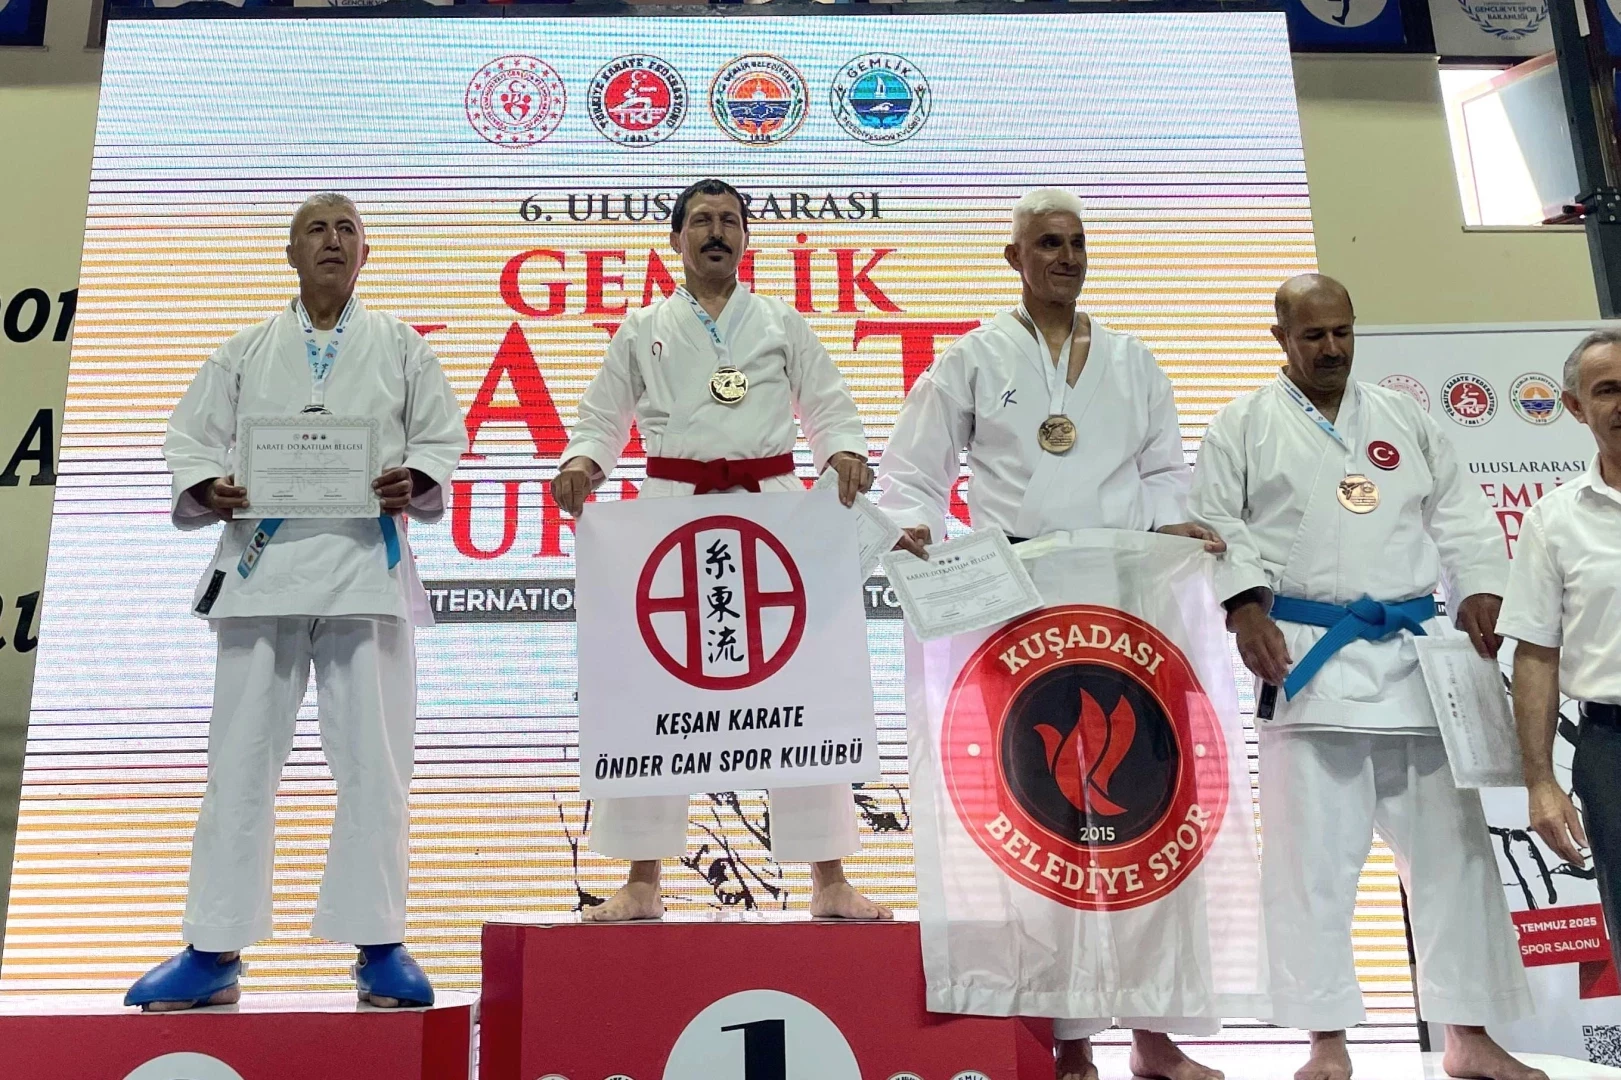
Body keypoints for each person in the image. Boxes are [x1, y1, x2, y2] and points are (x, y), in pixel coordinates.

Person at [878, 188, 1231, 1080]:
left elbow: (1163, 469)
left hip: (1124, 603)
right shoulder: (970, 358)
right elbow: (912, 473)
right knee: (1042, 822)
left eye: (1075, 242)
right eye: (1046, 243)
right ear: (1014, 259)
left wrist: (1173, 524)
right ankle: (1066, 1034)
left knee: (1145, 817)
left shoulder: (1131, 360)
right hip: (1018, 610)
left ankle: (1153, 1034)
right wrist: (917, 527)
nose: (1065, 257)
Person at [1187, 274, 1541, 1080]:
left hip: (1414, 663)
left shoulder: (1402, 418)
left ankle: (1467, 1035)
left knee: (1454, 858)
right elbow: (1215, 524)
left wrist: (1480, 585)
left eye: (1342, 332)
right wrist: (1243, 608)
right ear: (1280, 338)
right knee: (1310, 866)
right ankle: (1325, 1041)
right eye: (1313, 335)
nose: (1331, 348)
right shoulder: (1243, 425)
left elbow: (1460, 513)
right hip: (1308, 661)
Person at [126, 193, 467, 1012]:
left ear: (365, 253)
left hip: (364, 572)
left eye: (347, 229)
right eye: (316, 229)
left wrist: (416, 478)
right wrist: (207, 485)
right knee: (239, 763)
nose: (333, 240)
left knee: (375, 764)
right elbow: (188, 438)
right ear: (290, 252)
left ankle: (379, 945)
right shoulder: (243, 351)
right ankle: (213, 949)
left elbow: (441, 438)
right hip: (262, 573)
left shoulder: (403, 347)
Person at [551, 177, 890, 923]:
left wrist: (842, 451)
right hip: (672, 512)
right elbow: (601, 417)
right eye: (701, 221)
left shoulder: (779, 321)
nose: (715, 232)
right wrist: (582, 463)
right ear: (674, 239)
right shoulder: (642, 327)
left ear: (745, 238)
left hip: (773, 512)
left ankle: (828, 878)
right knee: (656, 690)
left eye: (729, 221)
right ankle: (642, 879)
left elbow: (828, 404)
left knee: (800, 686)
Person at [1500, 329, 1621, 972]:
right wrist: (1541, 781)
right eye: (1607, 390)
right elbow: (1535, 656)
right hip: (1612, 749)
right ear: (1575, 407)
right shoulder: (1554, 521)